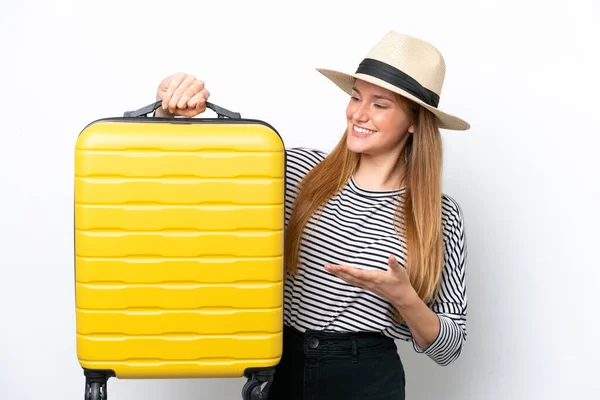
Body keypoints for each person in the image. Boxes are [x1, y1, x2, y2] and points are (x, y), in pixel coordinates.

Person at [153, 30, 469, 400]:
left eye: (380, 105)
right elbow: (195, 184)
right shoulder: (298, 171)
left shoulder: (439, 215)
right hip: (279, 367)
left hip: (368, 379)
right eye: (355, 97)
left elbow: (450, 348)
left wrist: (403, 296)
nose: (358, 114)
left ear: (414, 122)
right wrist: (170, 115)